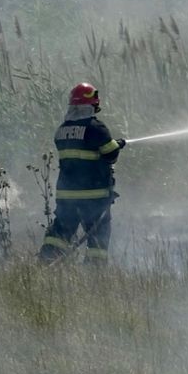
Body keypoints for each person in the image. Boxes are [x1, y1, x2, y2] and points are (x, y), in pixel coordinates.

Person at [38, 82, 126, 264]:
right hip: (94, 197)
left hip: (67, 197)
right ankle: (94, 272)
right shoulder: (96, 128)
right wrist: (118, 144)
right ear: (91, 106)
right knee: (98, 238)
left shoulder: (61, 131)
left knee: (59, 233)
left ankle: (45, 263)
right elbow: (110, 154)